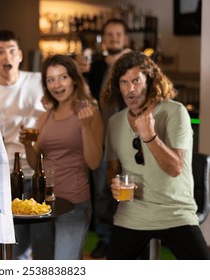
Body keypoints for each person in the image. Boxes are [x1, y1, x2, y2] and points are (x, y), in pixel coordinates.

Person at [103, 50, 210, 260]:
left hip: (176, 212)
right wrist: (114, 183)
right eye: (123, 82)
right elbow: (113, 169)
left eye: (136, 81)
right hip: (132, 214)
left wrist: (150, 136)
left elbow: (175, 168)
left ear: (150, 81)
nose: (130, 90)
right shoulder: (114, 122)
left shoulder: (175, 112)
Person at [19, 54, 103, 259]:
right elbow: (35, 163)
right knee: (42, 264)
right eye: (50, 80)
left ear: (74, 78)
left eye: (62, 77)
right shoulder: (45, 116)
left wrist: (84, 128)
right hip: (43, 203)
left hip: (74, 203)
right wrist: (28, 145)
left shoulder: (89, 111)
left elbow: (94, 163)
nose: (57, 85)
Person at [0, 30, 49, 259]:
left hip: (44, 172)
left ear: (20, 55)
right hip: (11, 177)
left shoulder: (40, 81)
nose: (6, 57)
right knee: (18, 249)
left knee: (44, 246)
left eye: (12, 51)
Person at [76, 18, 131, 258]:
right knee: (101, 191)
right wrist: (80, 74)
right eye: (110, 34)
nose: (114, 38)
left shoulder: (134, 63)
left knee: (128, 189)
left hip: (129, 139)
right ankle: (104, 238)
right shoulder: (96, 66)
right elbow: (86, 96)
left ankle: (127, 240)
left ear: (126, 38)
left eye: (118, 34)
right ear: (104, 39)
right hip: (101, 136)